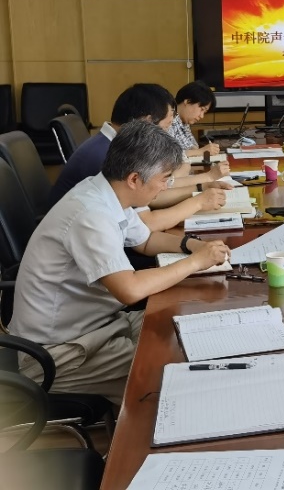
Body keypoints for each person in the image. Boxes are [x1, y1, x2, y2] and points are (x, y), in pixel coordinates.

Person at [9, 121, 231, 404]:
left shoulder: (106, 193)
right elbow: (130, 289)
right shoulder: (90, 214)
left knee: (185, 323)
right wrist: (195, 263)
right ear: (135, 179)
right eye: (164, 178)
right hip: (56, 353)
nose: (166, 186)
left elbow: (145, 241)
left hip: (98, 326)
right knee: (173, 366)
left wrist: (191, 245)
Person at [47, 83, 231, 231]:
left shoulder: (110, 145)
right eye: (165, 128)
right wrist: (199, 201)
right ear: (146, 122)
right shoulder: (109, 157)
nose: (166, 137)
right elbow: (147, 222)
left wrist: (202, 187)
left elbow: (155, 196)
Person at [169, 81, 220, 157]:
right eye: (202, 109)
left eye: (204, 112)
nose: (202, 116)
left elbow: (193, 147)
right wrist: (201, 151)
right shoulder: (167, 120)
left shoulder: (185, 122)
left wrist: (204, 151)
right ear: (187, 101)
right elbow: (167, 156)